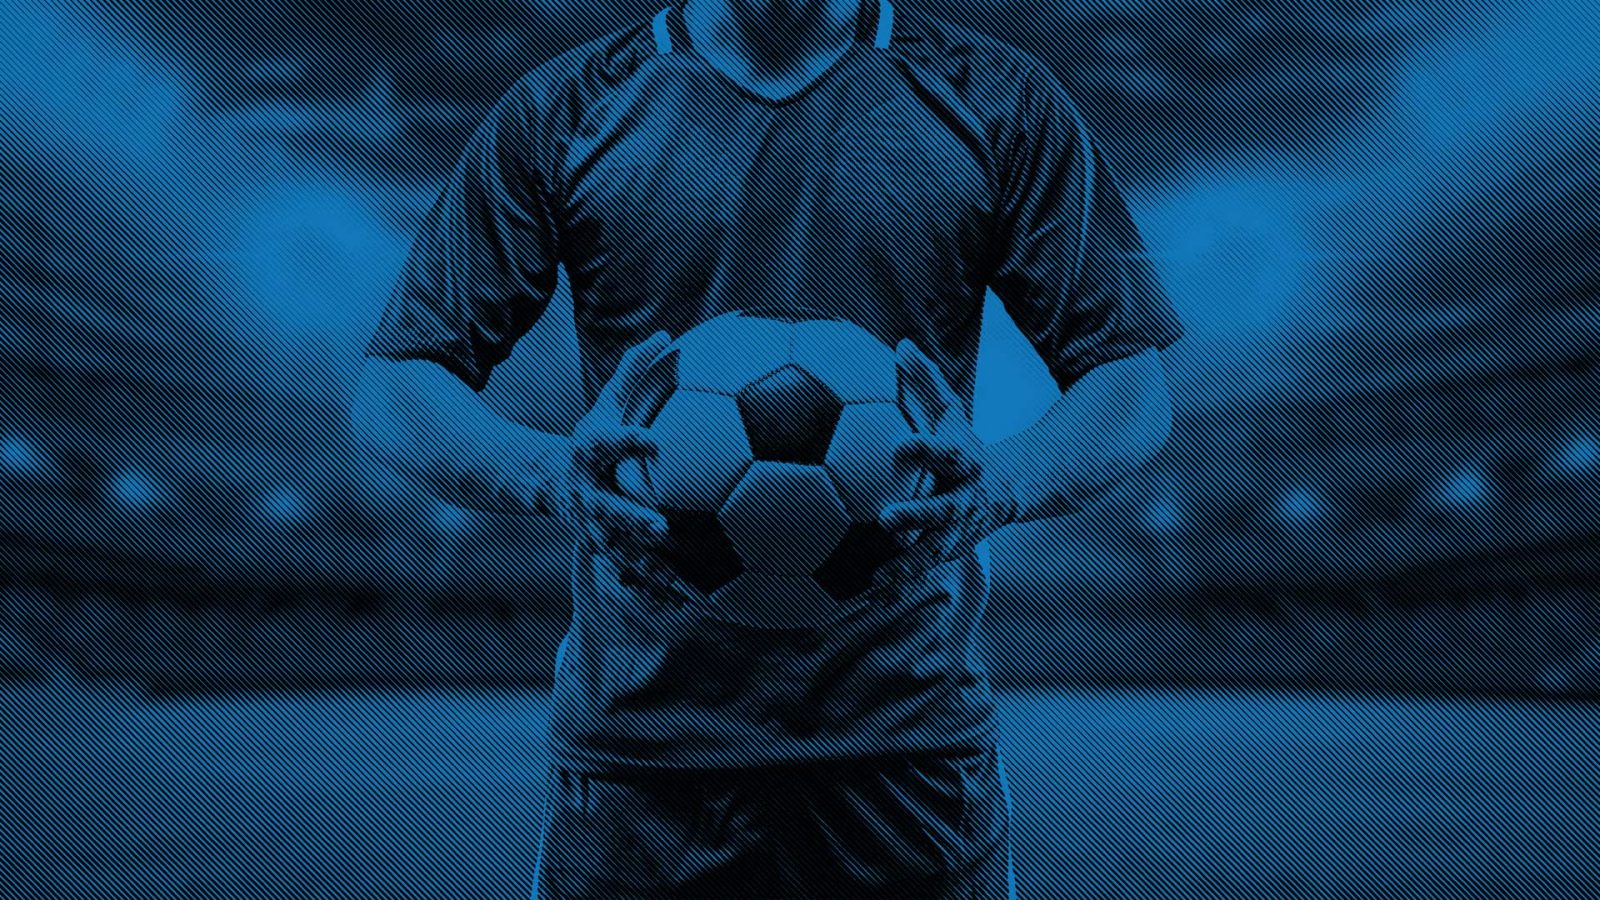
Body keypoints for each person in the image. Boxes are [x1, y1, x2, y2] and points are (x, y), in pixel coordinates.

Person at [351, 0, 1183, 895]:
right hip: (642, 770)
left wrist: (1004, 483)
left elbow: (1129, 388)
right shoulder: (564, 110)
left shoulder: (1000, 101)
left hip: (908, 756)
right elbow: (397, 391)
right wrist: (551, 475)